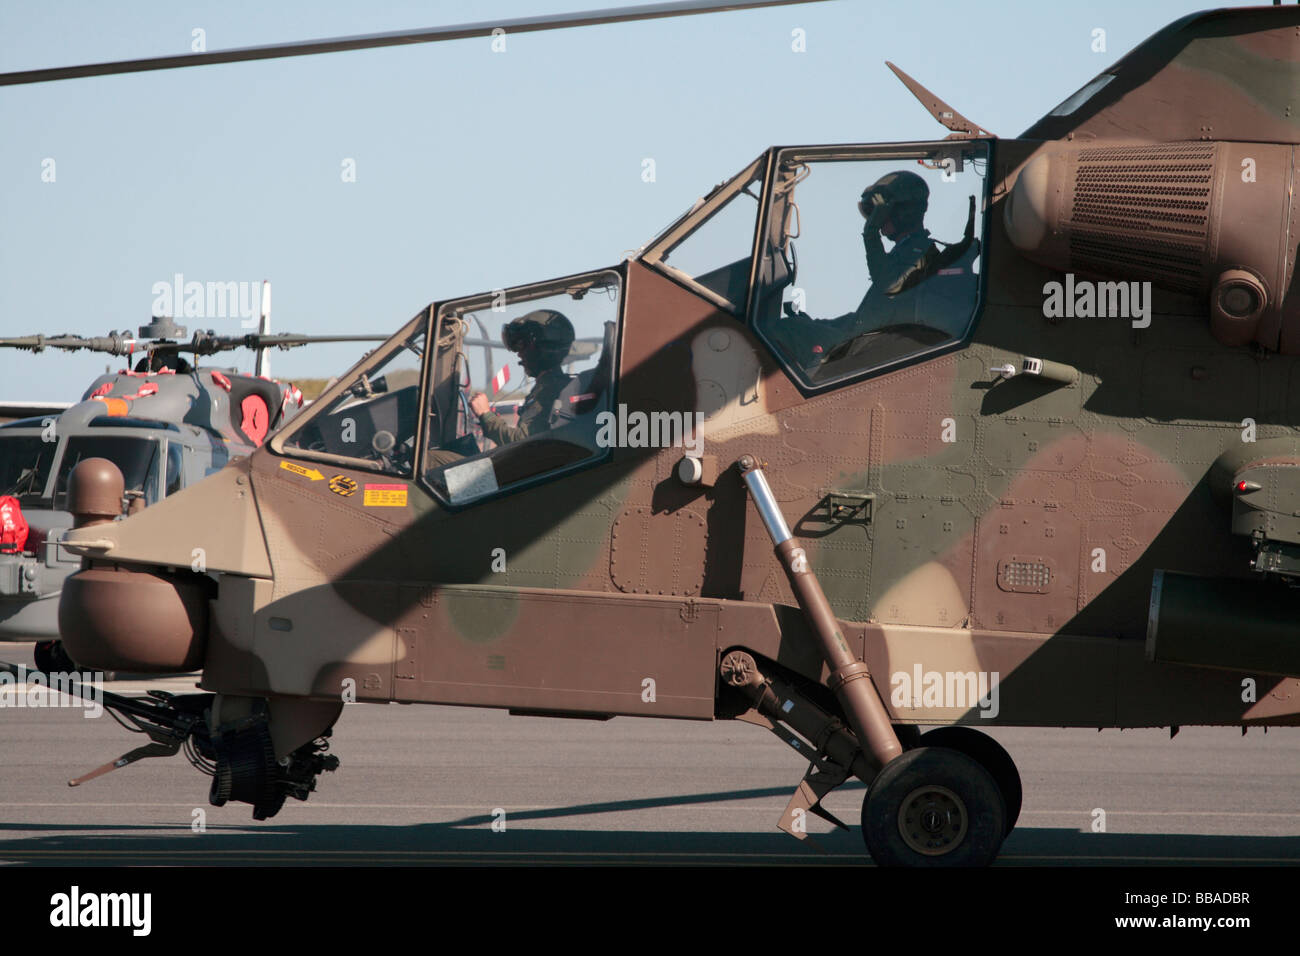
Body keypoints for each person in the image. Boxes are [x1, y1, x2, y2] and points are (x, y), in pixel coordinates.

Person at [469, 309, 575, 446]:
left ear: (540, 349)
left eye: (522, 346)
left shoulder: (549, 391)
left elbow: (521, 442)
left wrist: (485, 415)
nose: (519, 354)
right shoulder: (554, 386)